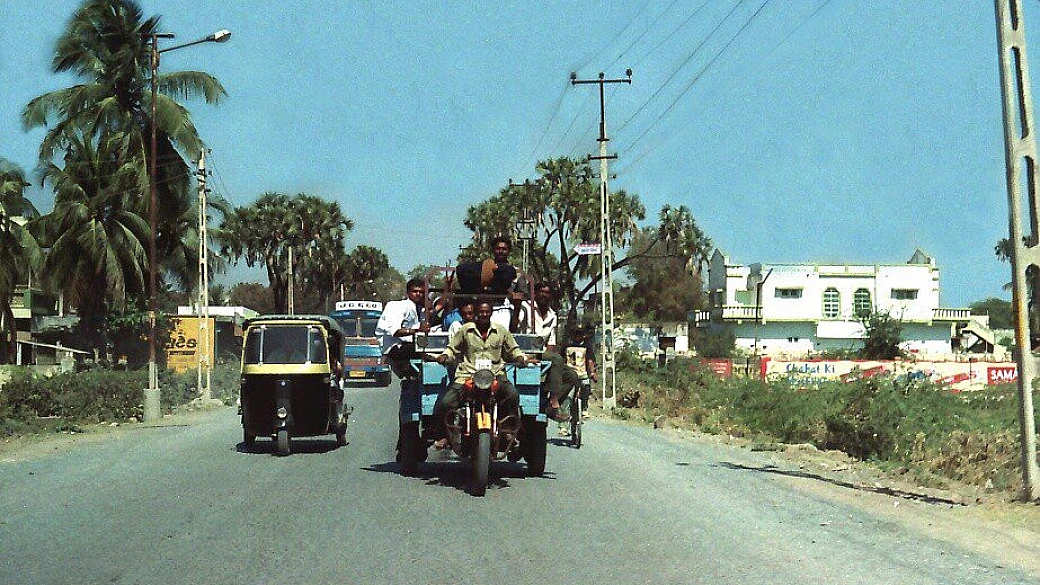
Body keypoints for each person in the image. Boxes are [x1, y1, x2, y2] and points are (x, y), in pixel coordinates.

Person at [433, 298, 536, 449]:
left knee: (513, 395)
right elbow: (452, 349)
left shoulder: (501, 331)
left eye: (487, 312)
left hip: (495, 374)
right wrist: (445, 356)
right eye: (481, 312)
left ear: (491, 313)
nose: (484, 315)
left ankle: (508, 430)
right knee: (446, 402)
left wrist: (520, 357)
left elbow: (514, 349)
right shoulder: (465, 330)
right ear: (475, 313)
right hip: (468, 375)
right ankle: (444, 435)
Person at [512, 282, 575, 422]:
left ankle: (546, 401)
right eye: (541, 291)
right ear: (535, 293)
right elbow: (514, 326)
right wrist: (516, 307)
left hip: (541, 352)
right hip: (523, 350)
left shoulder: (553, 315)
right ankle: (553, 403)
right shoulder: (526, 307)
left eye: (547, 292)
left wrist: (548, 362)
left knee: (572, 375)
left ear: (550, 296)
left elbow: (551, 342)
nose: (543, 295)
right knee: (557, 359)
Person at [375, 278, 430, 379]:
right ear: (408, 292)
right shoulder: (398, 306)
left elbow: (438, 308)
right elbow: (395, 331)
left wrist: (447, 289)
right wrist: (417, 331)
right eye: (415, 291)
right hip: (394, 349)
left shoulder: (420, 309)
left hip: (409, 346)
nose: (418, 294)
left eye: (421, 292)